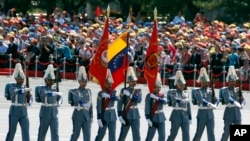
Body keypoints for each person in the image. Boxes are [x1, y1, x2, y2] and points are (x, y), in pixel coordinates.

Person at [36, 64, 63, 141]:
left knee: (55, 133)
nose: (51, 81)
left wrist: (59, 102)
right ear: (46, 80)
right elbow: (43, 94)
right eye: (50, 80)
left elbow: (60, 97)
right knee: (42, 133)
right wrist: (52, 93)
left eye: (52, 80)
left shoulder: (55, 88)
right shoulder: (42, 88)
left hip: (54, 113)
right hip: (45, 113)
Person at [5, 63, 32, 141]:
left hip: (24, 111)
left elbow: (30, 96)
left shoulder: (25, 87)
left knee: (26, 131)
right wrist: (24, 90)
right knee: (12, 131)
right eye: (20, 78)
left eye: (23, 78)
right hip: (14, 111)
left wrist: (30, 100)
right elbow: (15, 91)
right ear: (16, 78)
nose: (22, 80)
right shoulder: (12, 86)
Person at [192, 67, 219, 141]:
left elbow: (217, 99)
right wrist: (210, 104)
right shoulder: (197, 91)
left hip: (210, 115)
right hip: (202, 114)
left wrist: (216, 104)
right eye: (204, 82)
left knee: (211, 134)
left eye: (207, 82)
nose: (206, 83)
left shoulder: (210, 91)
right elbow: (201, 100)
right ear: (201, 82)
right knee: (198, 134)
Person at [220, 66, 245, 141]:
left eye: (234, 81)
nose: (232, 82)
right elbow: (227, 98)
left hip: (237, 114)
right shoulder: (225, 90)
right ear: (228, 81)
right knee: (226, 134)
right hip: (229, 113)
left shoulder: (238, 90)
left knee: (239, 133)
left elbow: (243, 99)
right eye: (231, 81)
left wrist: (243, 104)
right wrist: (235, 103)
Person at [68, 66, 93, 141]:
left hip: (86, 116)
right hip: (78, 115)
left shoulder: (88, 91)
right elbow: (77, 99)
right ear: (79, 81)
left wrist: (91, 116)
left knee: (87, 136)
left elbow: (90, 104)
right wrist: (83, 104)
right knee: (76, 134)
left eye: (85, 81)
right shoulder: (75, 91)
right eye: (82, 81)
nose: (84, 83)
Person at [117, 67, 142, 141]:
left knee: (137, 136)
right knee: (122, 135)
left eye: (135, 81)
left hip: (136, 116)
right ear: (128, 81)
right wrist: (120, 115)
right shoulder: (123, 90)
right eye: (132, 81)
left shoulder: (138, 90)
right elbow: (120, 103)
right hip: (126, 115)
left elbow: (138, 100)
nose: (134, 83)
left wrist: (129, 95)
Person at [95, 69, 120, 141]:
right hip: (104, 116)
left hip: (113, 116)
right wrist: (99, 117)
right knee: (101, 134)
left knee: (112, 135)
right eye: (108, 83)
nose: (110, 85)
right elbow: (99, 107)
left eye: (111, 83)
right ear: (104, 84)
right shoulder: (101, 93)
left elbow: (118, 99)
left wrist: (110, 96)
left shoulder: (113, 92)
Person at [167, 70, 192, 141]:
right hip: (176, 114)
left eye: (183, 84)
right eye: (181, 84)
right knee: (173, 133)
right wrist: (180, 100)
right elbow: (174, 99)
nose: (182, 86)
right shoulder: (172, 91)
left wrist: (190, 117)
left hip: (185, 115)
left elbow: (188, 106)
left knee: (186, 134)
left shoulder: (186, 93)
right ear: (177, 84)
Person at [145, 73, 168, 141]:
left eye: (159, 87)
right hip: (153, 118)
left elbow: (165, 102)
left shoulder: (162, 95)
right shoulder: (149, 96)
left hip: (161, 118)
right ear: (153, 87)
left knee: (162, 137)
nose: (158, 89)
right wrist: (148, 118)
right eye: (157, 87)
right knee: (149, 137)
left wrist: (157, 98)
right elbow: (147, 108)